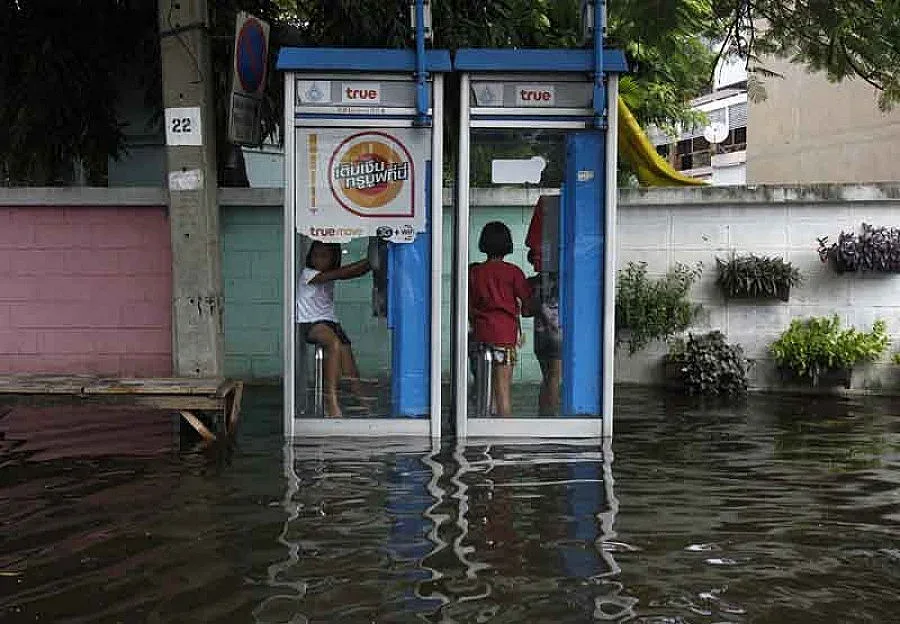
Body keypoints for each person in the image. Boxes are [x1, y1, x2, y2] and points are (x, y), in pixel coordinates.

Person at [296, 241, 371, 417]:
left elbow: (351, 273)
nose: (318, 260)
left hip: (330, 322)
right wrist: (369, 262)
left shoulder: (327, 274)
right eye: (315, 255)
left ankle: (365, 405)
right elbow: (344, 273)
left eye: (324, 256)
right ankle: (330, 400)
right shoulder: (308, 274)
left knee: (350, 369)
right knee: (333, 343)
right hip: (310, 322)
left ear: (333, 259)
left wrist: (372, 263)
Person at [468, 221, 533, 417]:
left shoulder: (474, 272)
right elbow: (528, 303)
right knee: (503, 393)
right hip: (505, 337)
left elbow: (468, 306)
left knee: (482, 393)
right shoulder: (514, 272)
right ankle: (504, 432)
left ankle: (482, 427)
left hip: (481, 335)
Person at [527, 249, 561, 415]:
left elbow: (526, 310)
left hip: (540, 335)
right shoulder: (563, 280)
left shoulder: (531, 283)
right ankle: (551, 417)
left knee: (546, 377)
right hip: (557, 334)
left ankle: (542, 415)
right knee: (554, 377)